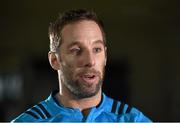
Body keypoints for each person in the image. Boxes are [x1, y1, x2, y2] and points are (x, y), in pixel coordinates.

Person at [11, 9, 151, 122]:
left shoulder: (133, 120)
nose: (90, 61)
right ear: (54, 60)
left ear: (105, 56)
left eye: (97, 49)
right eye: (76, 50)